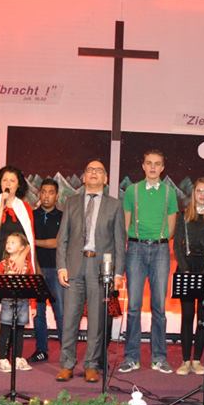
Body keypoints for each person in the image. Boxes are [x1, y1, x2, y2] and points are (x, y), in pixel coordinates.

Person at [55, 160, 126, 383]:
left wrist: (117, 274)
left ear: (106, 179)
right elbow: (62, 238)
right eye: (90, 170)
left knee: (96, 319)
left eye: (99, 171)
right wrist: (61, 266)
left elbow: (119, 242)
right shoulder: (71, 202)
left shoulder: (115, 205)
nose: (94, 173)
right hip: (74, 266)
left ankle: (91, 365)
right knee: (70, 318)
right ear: (84, 177)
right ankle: (66, 364)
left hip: (100, 269)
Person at [119, 149, 178, 375]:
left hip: (160, 250)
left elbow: (171, 227)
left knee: (159, 307)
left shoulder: (169, 193)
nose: (153, 167)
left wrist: (159, 239)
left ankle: (159, 358)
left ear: (162, 167)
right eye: (149, 163)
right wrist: (136, 241)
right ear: (143, 166)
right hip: (135, 249)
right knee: (133, 307)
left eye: (157, 164)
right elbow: (126, 224)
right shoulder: (131, 191)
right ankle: (131, 357)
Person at [0, 166, 36, 369]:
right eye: (4, 180)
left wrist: (22, 258)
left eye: (12, 180)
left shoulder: (24, 208)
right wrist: (1, 205)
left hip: (16, 266)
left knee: (15, 310)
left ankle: (9, 354)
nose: (8, 184)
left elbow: (29, 240)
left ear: (18, 185)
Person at [173, 178, 204, 376]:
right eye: (199, 191)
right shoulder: (183, 216)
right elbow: (177, 245)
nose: (202, 195)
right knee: (187, 316)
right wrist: (184, 270)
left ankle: (197, 360)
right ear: (194, 194)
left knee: (202, 318)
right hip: (186, 269)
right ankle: (185, 360)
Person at [30, 178, 65, 364]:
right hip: (37, 270)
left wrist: (33, 241)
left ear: (57, 196)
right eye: (43, 192)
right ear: (39, 194)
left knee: (61, 312)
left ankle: (66, 352)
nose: (46, 196)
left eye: (51, 192)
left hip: (57, 270)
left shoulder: (63, 216)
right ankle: (41, 350)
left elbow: (57, 242)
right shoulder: (31, 215)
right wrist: (36, 269)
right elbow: (26, 243)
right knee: (39, 313)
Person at [0, 232, 34, 373]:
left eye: (13, 242)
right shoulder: (2, 264)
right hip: (7, 301)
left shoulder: (28, 265)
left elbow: (32, 286)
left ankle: (17, 358)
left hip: (23, 302)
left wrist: (33, 305)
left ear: (22, 247)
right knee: (5, 330)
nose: (8, 245)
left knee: (19, 331)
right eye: (7, 242)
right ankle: (2, 359)